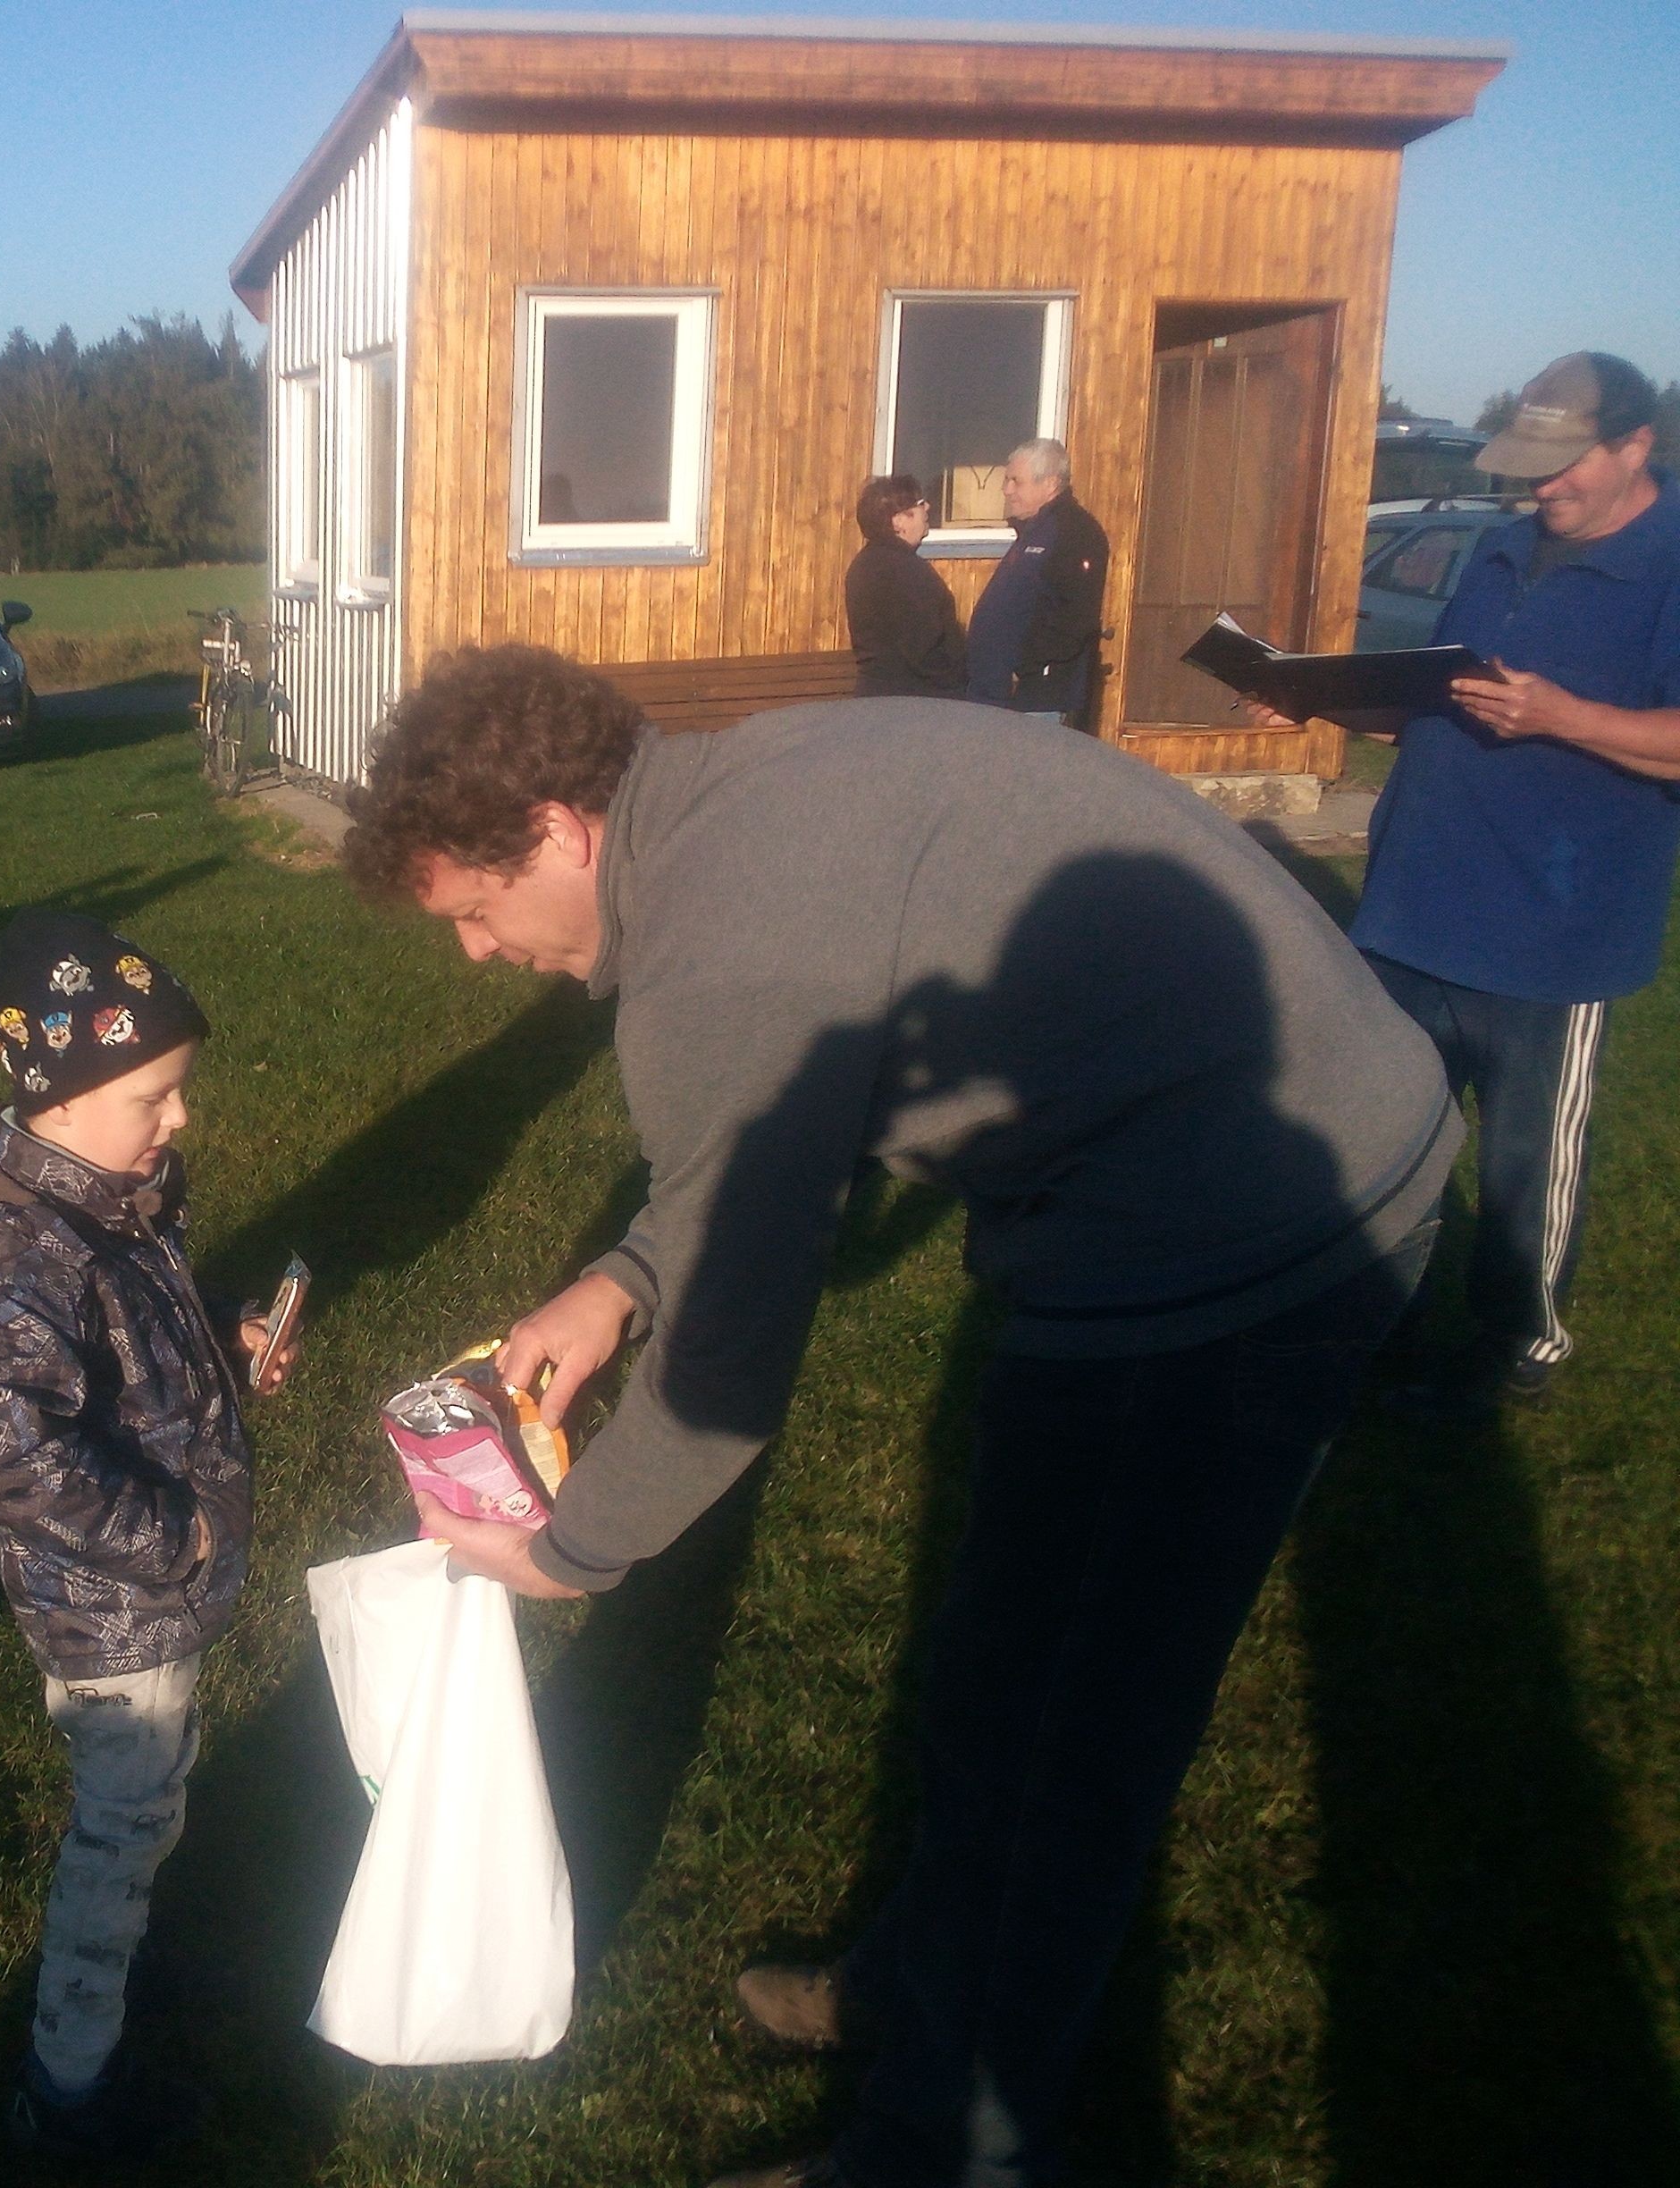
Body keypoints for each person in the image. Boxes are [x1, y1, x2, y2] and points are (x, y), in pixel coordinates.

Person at [340, 645, 1457, 2188]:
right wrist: (618, 1282)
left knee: (1065, 1746)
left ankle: (937, 2150)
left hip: (1243, 1240)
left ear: (556, 829)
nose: (476, 951)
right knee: (999, 1668)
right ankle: (925, 1981)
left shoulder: (718, 943)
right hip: (1195, 1177)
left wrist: (569, 1550)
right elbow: (776, 1133)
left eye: (474, 908)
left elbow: (727, 1372)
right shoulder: (725, 800)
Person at [0, 912, 298, 2166]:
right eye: (154, 1097)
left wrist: (225, 1333)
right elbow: (12, 1463)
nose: (180, 1118)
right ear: (61, 1098)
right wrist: (179, 1542)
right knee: (117, 1830)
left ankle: (123, 1962)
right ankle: (67, 2093)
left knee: (150, 1800)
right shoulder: (20, 1265)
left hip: (151, 1595)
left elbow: (135, 1333)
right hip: (115, 1610)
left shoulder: (104, 1196)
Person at [1281, 352, 1679, 1419]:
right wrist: (1314, 696)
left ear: (1636, 445)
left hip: (1553, 929)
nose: (1541, 486)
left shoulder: (1670, 566)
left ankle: (1517, 1344)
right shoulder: (1502, 547)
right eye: (1530, 465)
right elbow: (1440, 701)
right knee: (1386, 1131)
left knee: (1523, 1163)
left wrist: (1564, 718)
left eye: (1564, 465)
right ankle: (1385, 1317)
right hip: (1412, 907)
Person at [964, 438, 1109, 723]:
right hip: (998, 696)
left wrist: (1023, 667)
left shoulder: (1073, 532)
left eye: (1016, 481)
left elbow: (1075, 618)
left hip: (1036, 699)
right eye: (1006, 480)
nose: (1006, 490)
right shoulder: (1034, 531)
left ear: (1050, 483)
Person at [844, 474, 967, 698]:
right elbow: (926, 647)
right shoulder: (906, 570)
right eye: (920, 503)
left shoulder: (864, 564)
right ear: (898, 521)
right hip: (914, 701)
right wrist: (960, 681)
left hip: (876, 695)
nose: (927, 507)